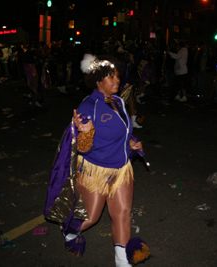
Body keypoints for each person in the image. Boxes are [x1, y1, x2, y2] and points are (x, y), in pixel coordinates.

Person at [44, 54, 150, 267]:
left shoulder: (118, 101)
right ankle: (69, 229)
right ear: (98, 80)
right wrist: (84, 132)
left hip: (121, 169)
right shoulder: (87, 107)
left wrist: (133, 143)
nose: (116, 81)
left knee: (122, 213)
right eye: (111, 77)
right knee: (90, 218)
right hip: (95, 170)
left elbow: (124, 131)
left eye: (117, 77)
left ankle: (122, 262)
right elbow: (82, 148)